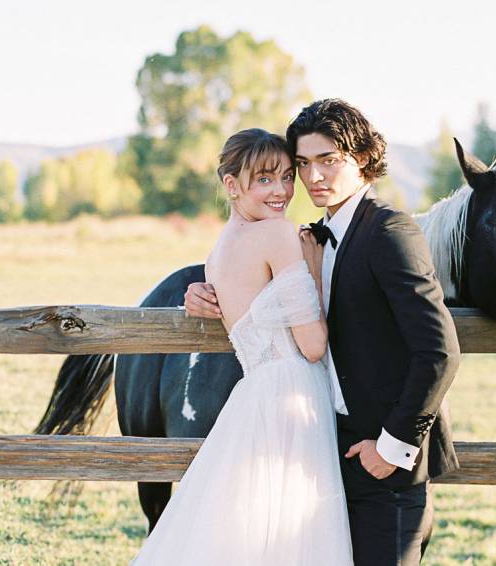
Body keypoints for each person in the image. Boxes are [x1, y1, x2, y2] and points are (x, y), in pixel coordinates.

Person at [185, 99, 461, 565]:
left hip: (382, 467)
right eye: (303, 164)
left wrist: (391, 447)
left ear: (363, 159)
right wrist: (199, 292)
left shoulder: (390, 231)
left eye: (328, 161)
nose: (313, 177)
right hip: (316, 455)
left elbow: (439, 352)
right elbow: (254, 285)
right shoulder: (308, 237)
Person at [129, 128, 354, 565]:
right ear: (232, 185)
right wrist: (311, 267)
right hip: (295, 395)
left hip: (254, 394)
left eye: (288, 177)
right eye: (265, 180)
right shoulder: (278, 235)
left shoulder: (217, 253)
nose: (283, 191)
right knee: (293, 533)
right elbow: (312, 345)